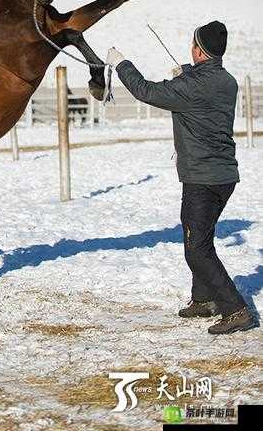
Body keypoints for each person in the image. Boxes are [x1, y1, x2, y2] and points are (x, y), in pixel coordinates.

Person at [102, 21, 255, 335]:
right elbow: (202, 85)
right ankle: (203, 300)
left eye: (193, 45)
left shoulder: (191, 87)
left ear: (199, 50)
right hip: (223, 175)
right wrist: (187, 71)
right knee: (201, 237)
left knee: (196, 246)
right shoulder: (228, 81)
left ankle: (235, 309)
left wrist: (121, 64)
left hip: (203, 178)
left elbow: (146, 91)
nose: (191, 49)